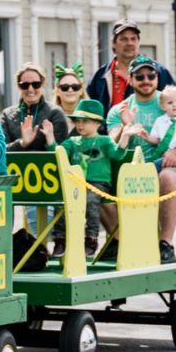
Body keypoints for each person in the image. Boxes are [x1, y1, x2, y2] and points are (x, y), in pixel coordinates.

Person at [115, 61, 176, 261]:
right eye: (139, 77)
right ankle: (122, 243)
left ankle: (165, 243)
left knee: (167, 176)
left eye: (151, 75)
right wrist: (128, 125)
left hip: (173, 166)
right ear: (130, 80)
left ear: (158, 78)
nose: (146, 80)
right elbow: (113, 143)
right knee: (115, 181)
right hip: (134, 168)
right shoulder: (120, 110)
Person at [59, 100, 130, 259]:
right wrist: (50, 138)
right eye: (77, 121)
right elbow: (58, 153)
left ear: (97, 123)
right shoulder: (72, 142)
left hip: (97, 183)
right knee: (63, 201)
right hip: (77, 183)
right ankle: (60, 239)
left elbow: (118, 154)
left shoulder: (104, 141)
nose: (80, 125)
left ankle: (91, 239)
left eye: (85, 121)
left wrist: (125, 136)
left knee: (90, 200)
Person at [87, 20, 176, 108]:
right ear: (113, 43)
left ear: (138, 42)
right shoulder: (100, 76)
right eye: (123, 39)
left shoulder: (158, 72)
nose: (129, 43)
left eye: (133, 38)